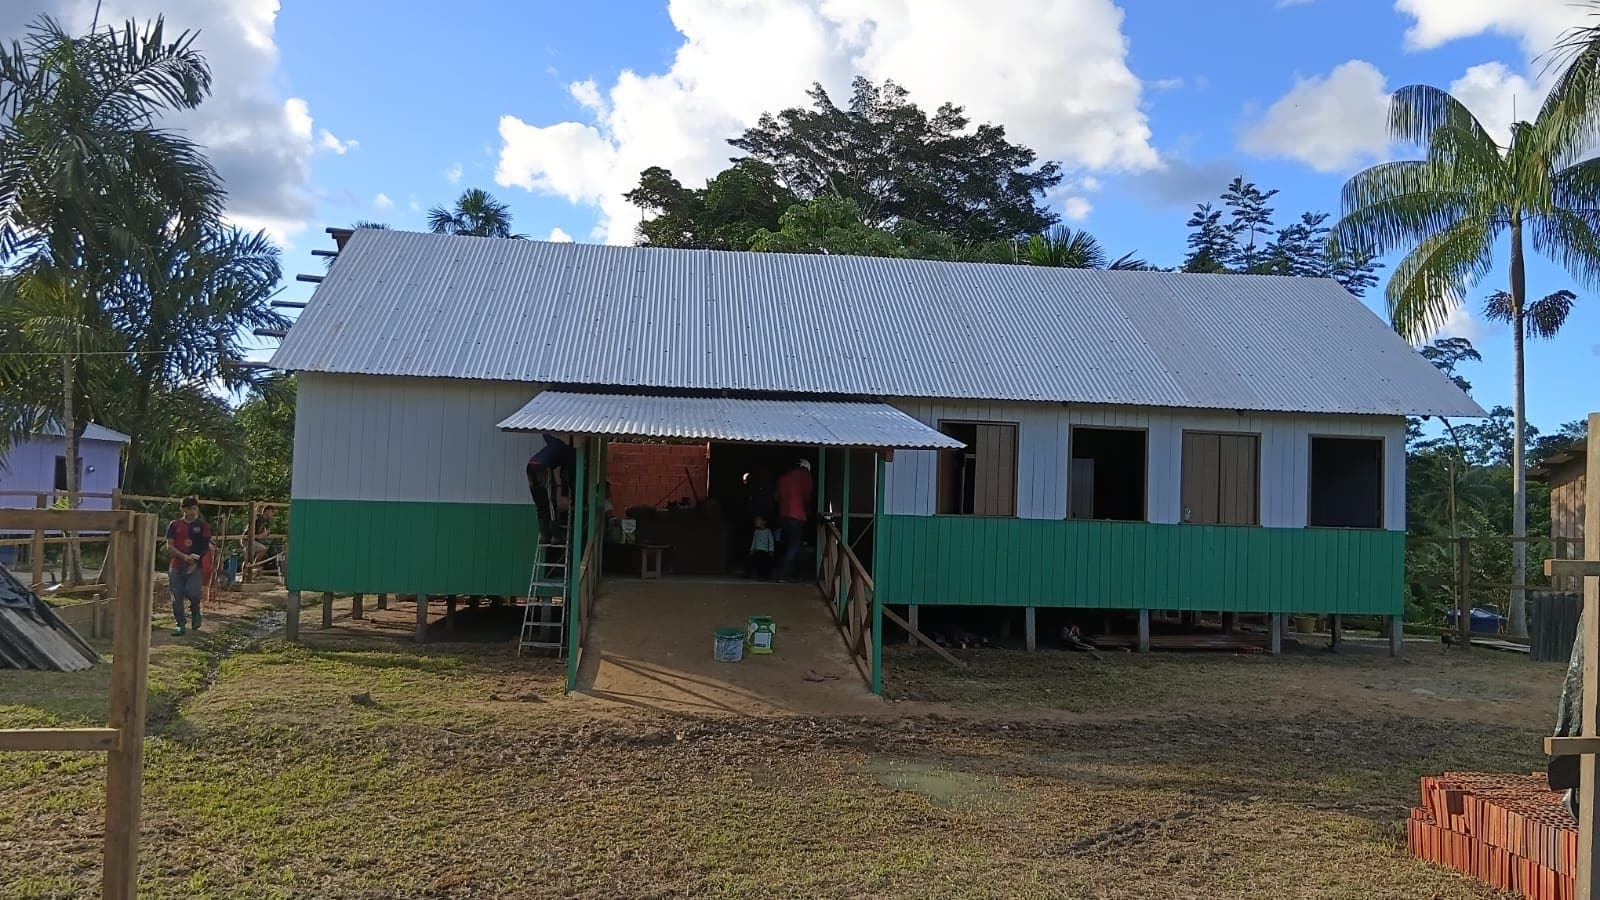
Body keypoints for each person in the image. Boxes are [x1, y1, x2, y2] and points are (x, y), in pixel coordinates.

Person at [166, 496, 212, 636]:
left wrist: (195, 562)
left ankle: (195, 610)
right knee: (176, 595)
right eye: (190, 508)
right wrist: (184, 557)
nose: (193, 511)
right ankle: (180, 624)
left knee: (193, 592)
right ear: (183, 509)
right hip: (177, 564)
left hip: (195, 565)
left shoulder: (203, 526)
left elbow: (204, 547)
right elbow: (170, 546)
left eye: (195, 508)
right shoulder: (175, 525)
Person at [526, 433, 575, 540]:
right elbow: (566, 474)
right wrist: (567, 491)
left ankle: (544, 535)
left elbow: (546, 435)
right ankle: (555, 536)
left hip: (530, 465)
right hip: (543, 467)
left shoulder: (555, 442)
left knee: (539, 501)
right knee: (550, 502)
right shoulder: (570, 454)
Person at [773, 459, 813, 581]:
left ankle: (782, 572)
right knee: (795, 545)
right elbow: (807, 497)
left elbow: (776, 497)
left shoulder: (783, 478)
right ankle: (785, 574)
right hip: (797, 516)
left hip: (783, 515)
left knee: (787, 543)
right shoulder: (805, 476)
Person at [748, 514, 776, 580]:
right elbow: (754, 541)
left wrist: (771, 550)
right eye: (755, 520)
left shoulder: (768, 531)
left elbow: (771, 541)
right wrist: (752, 549)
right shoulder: (756, 531)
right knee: (758, 563)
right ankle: (759, 576)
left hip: (765, 551)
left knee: (764, 563)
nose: (756, 522)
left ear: (764, 522)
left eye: (758, 520)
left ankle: (765, 576)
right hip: (758, 550)